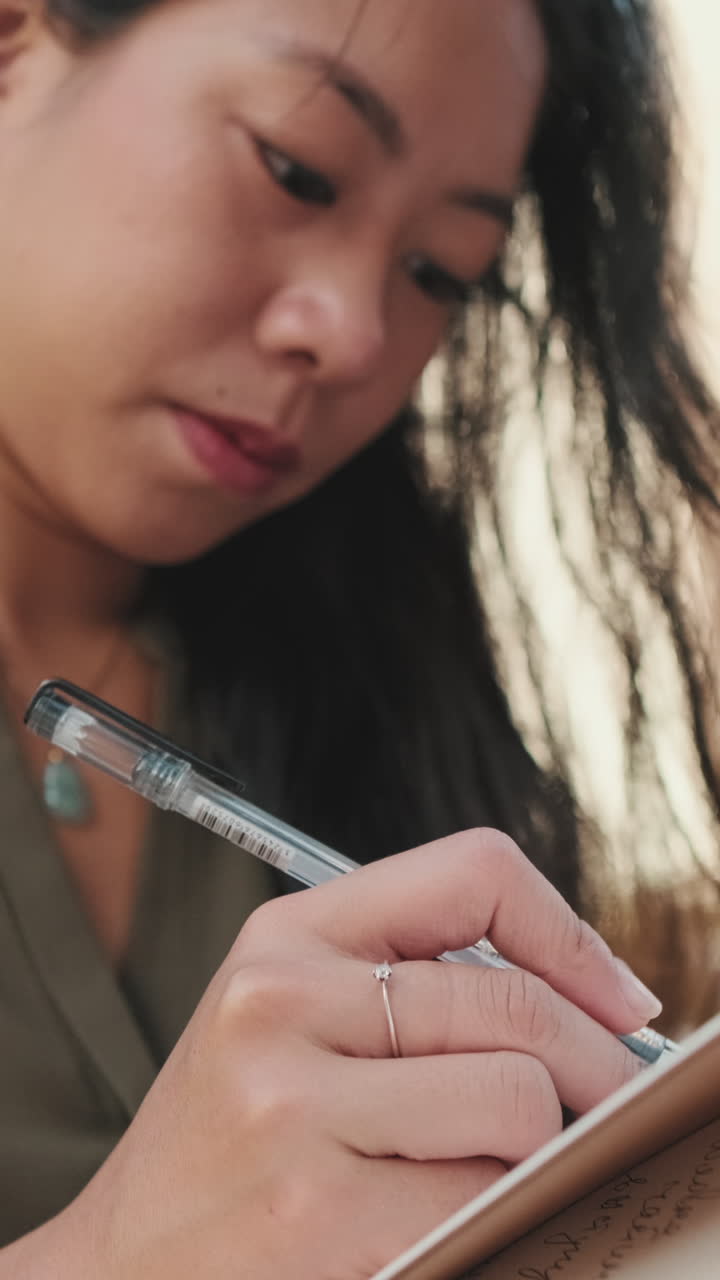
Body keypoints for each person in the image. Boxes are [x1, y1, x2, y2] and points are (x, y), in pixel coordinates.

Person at [0, 0, 717, 1275]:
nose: (354, 335)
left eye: (441, 273)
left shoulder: (380, 685)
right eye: (298, 168)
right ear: (15, 43)